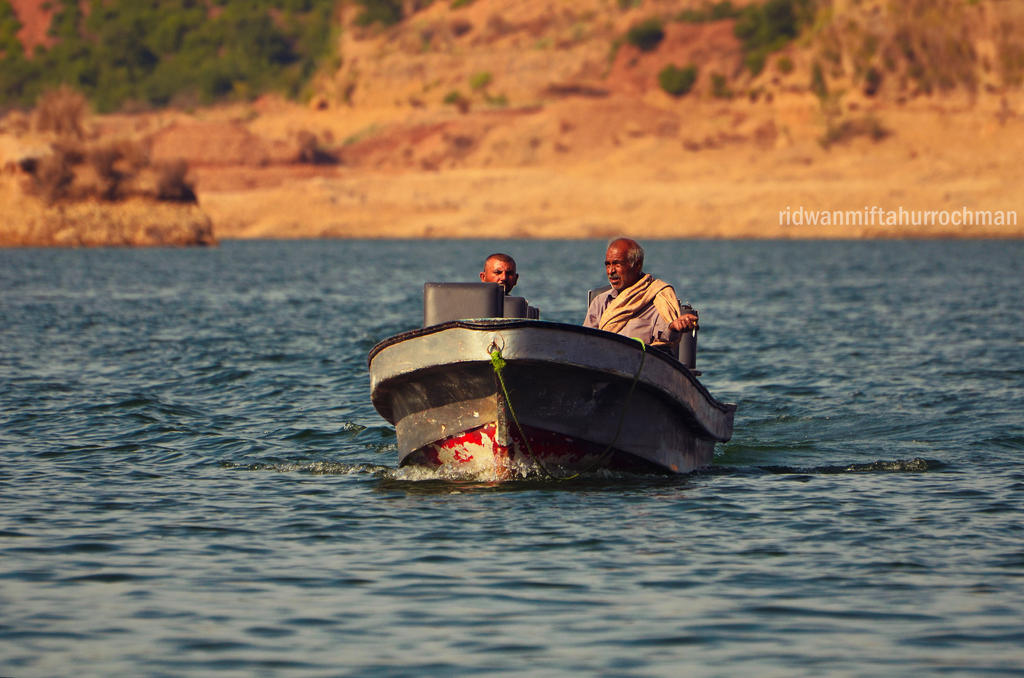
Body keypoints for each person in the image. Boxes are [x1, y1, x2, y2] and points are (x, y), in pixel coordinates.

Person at [583, 237, 698, 349]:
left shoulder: (659, 299)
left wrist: (673, 327)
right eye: (608, 264)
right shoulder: (600, 302)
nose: (611, 271)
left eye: (617, 264)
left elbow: (665, 341)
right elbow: (585, 344)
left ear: (637, 265)